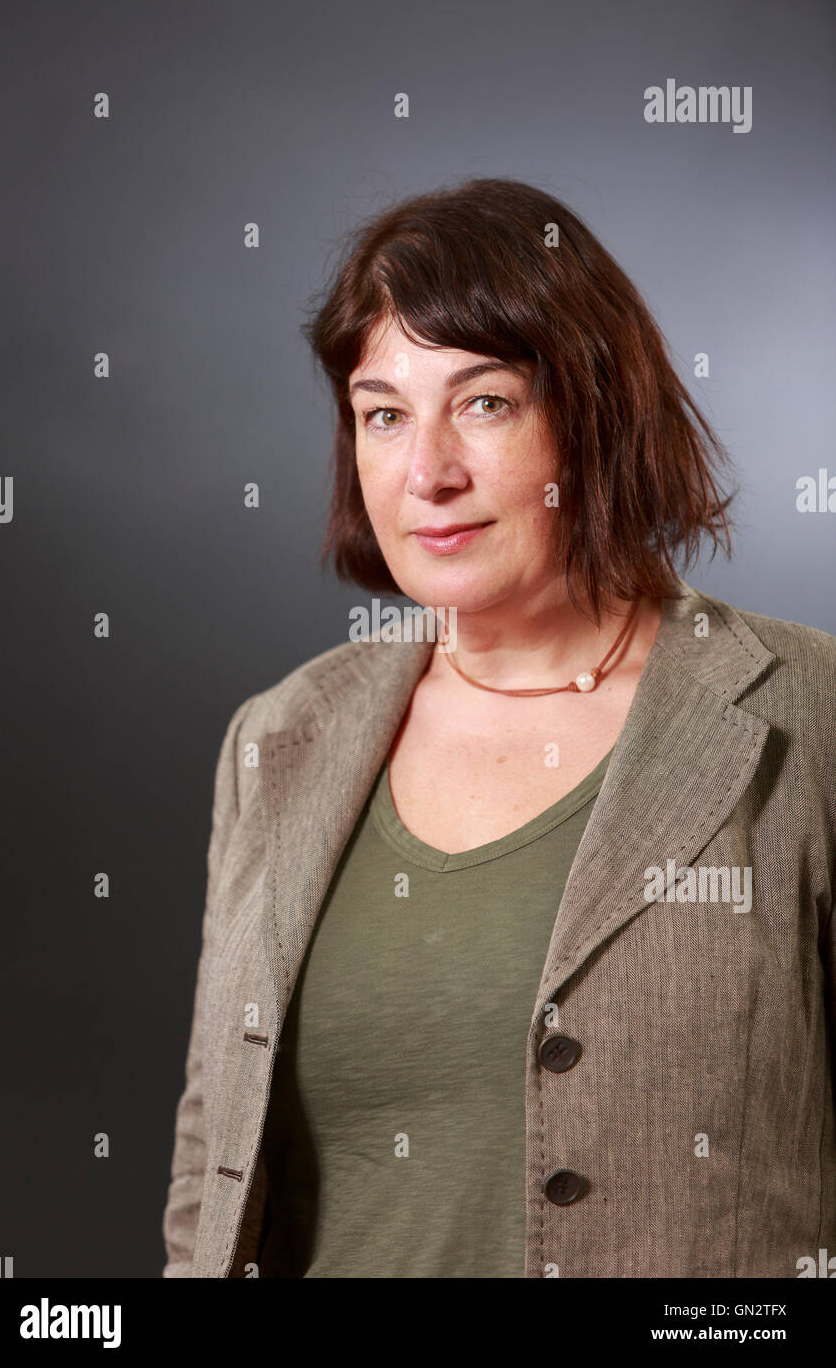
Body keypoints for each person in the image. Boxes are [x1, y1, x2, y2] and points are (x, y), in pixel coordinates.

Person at [162, 177, 836, 1279]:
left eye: (484, 403)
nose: (427, 472)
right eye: (384, 414)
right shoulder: (279, 739)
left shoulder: (805, 711)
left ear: (596, 413)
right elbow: (211, 1169)